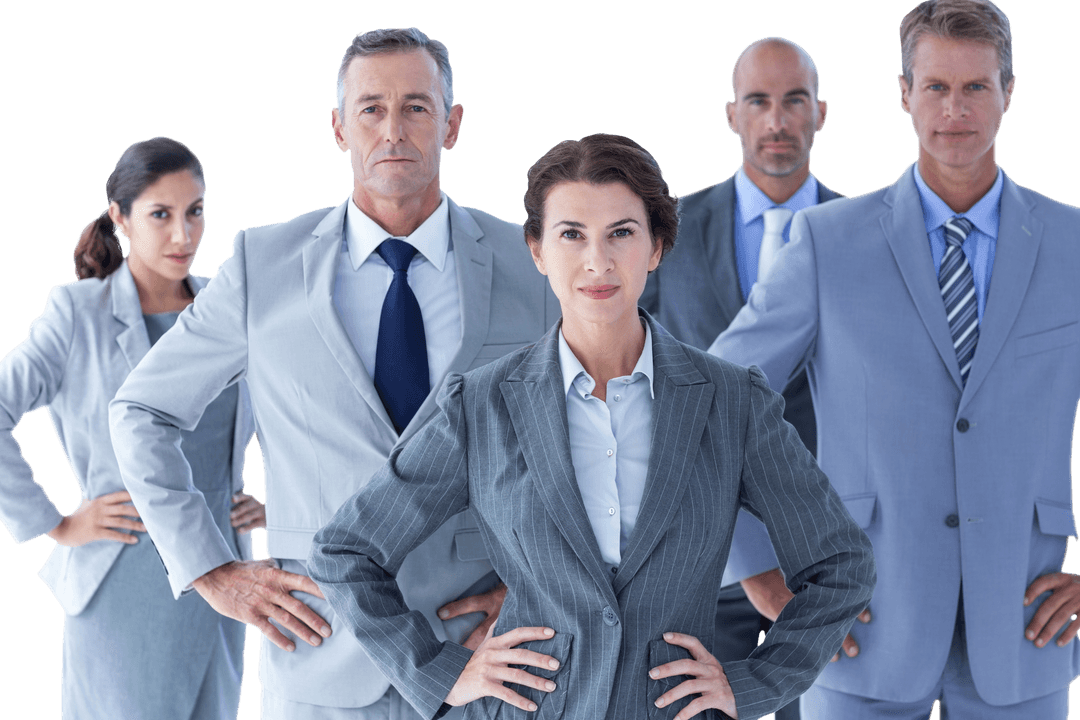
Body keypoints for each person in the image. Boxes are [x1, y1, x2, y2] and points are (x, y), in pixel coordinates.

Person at [309, 133, 875, 720]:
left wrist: (755, 682)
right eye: (572, 234)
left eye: (621, 233)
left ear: (656, 246)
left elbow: (841, 566)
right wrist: (440, 673)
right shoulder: (479, 407)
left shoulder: (734, 403)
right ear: (537, 251)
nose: (597, 261)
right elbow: (346, 551)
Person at [109, 27, 557, 719]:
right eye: (371, 109)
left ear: (452, 124)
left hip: (488, 653)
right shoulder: (264, 264)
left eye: (416, 107)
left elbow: (599, 424)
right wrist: (209, 568)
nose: (393, 129)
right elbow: (142, 410)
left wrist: (544, 587)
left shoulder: (532, 262)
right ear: (339, 128)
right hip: (318, 650)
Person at [711, 1, 1080, 717]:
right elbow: (713, 401)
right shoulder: (828, 243)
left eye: (976, 87)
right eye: (936, 86)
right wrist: (755, 567)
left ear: (1008, 92)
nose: (955, 109)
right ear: (905, 94)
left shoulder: (1072, 245)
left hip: (1027, 630)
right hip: (859, 630)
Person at [0, 136, 262, 719]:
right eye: (161, 215)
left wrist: (280, 508)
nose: (183, 235)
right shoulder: (77, 313)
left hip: (220, 574)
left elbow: (291, 403)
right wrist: (55, 523)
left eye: (195, 211)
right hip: (122, 576)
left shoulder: (226, 309)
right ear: (120, 218)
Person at [640, 38, 854, 720]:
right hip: (695, 558)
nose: (777, 120)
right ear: (732, 115)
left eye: (794, 100)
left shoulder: (866, 239)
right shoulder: (662, 236)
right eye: (758, 101)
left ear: (820, 112)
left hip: (827, 553)